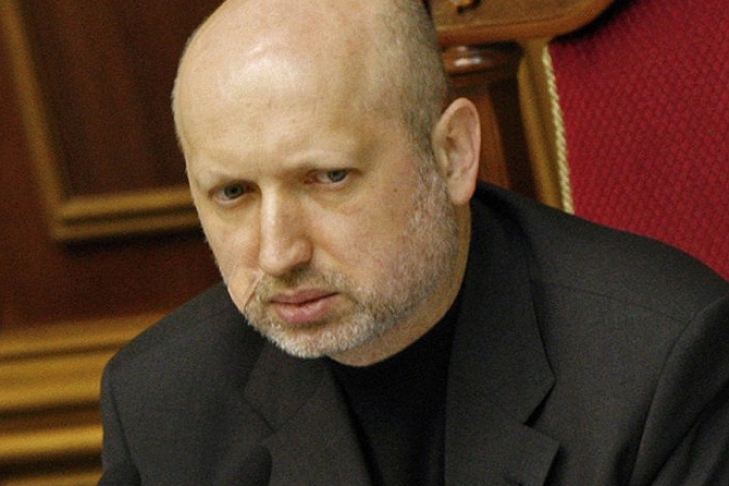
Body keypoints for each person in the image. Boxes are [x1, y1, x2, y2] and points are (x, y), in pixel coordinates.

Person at [98, 0, 729, 484]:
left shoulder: (660, 365)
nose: (278, 253)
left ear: (453, 154)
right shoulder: (161, 402)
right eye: (233, 192)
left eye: (329, 177)